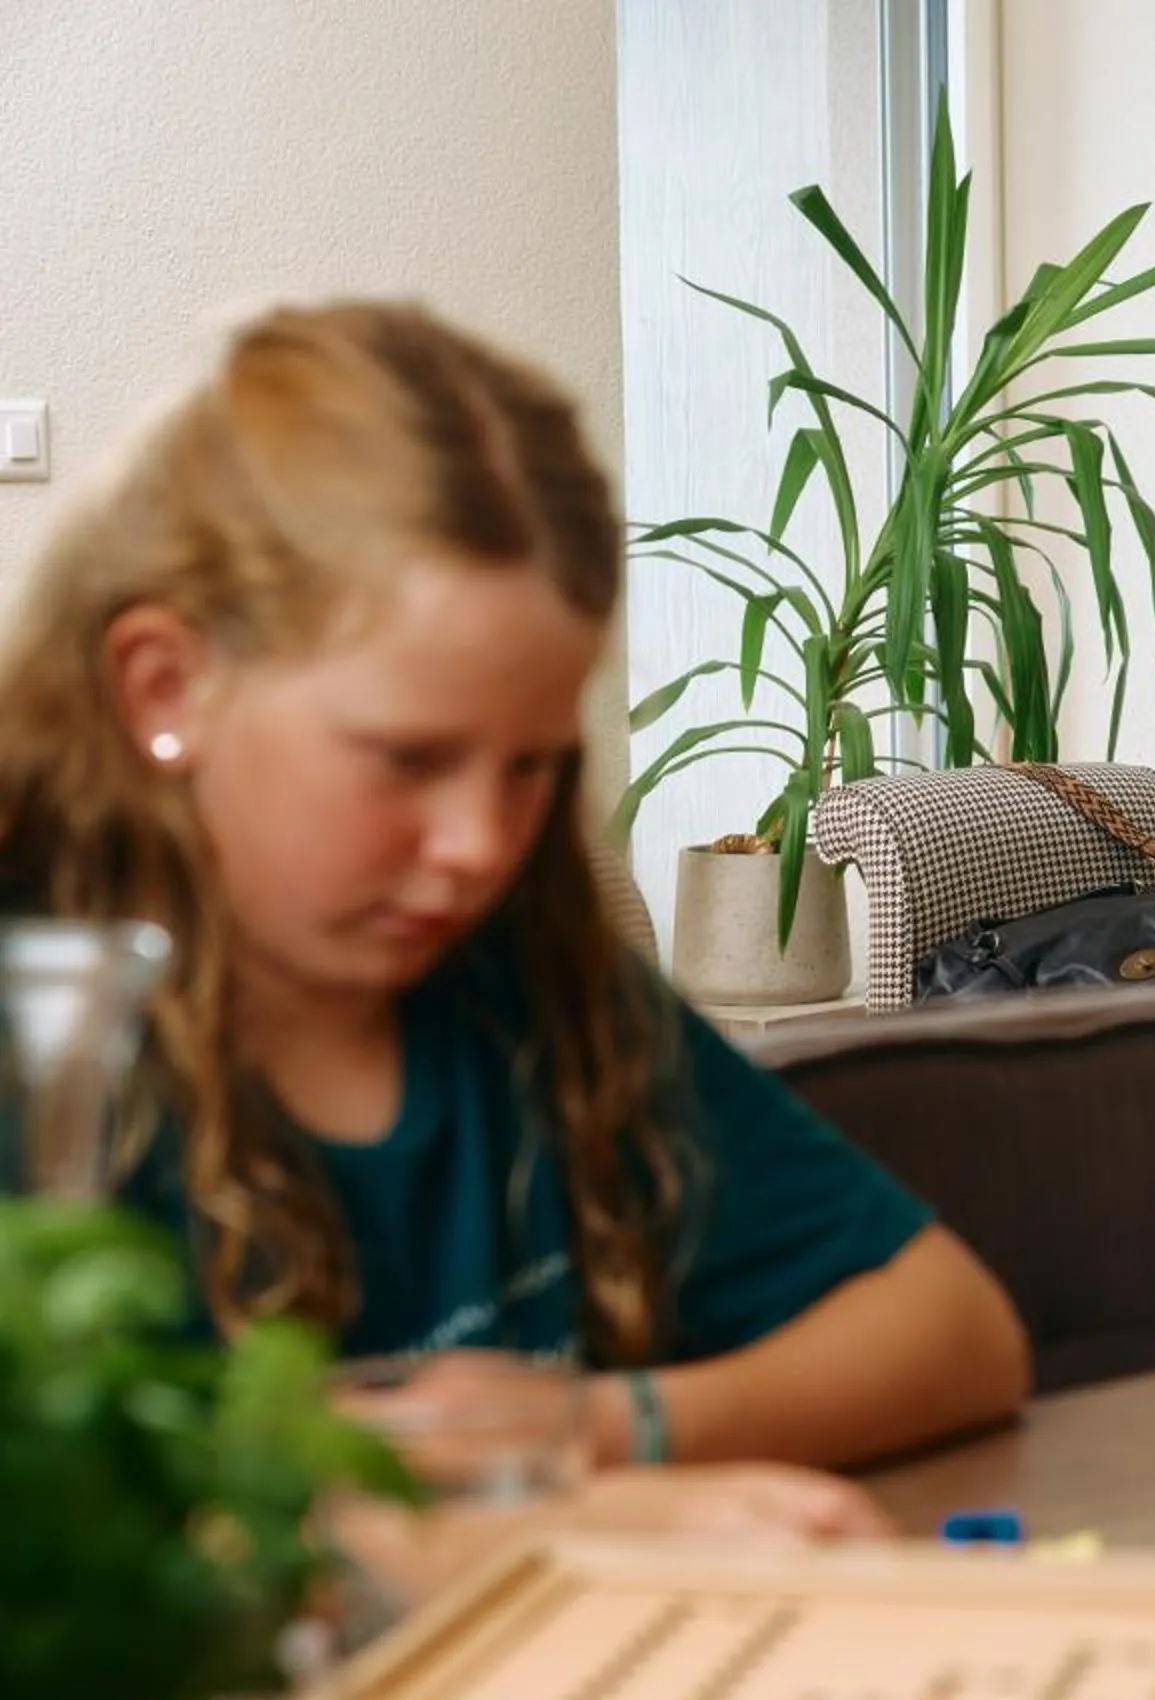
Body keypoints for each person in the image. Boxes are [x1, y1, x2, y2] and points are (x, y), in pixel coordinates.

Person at [0, 300, 1031, 1499]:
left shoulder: (518, 974)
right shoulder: (45, 1021)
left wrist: (601, 1431)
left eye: (532, 764)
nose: (479, 846)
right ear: (167, 684)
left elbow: (956, 1333)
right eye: (408, 758)